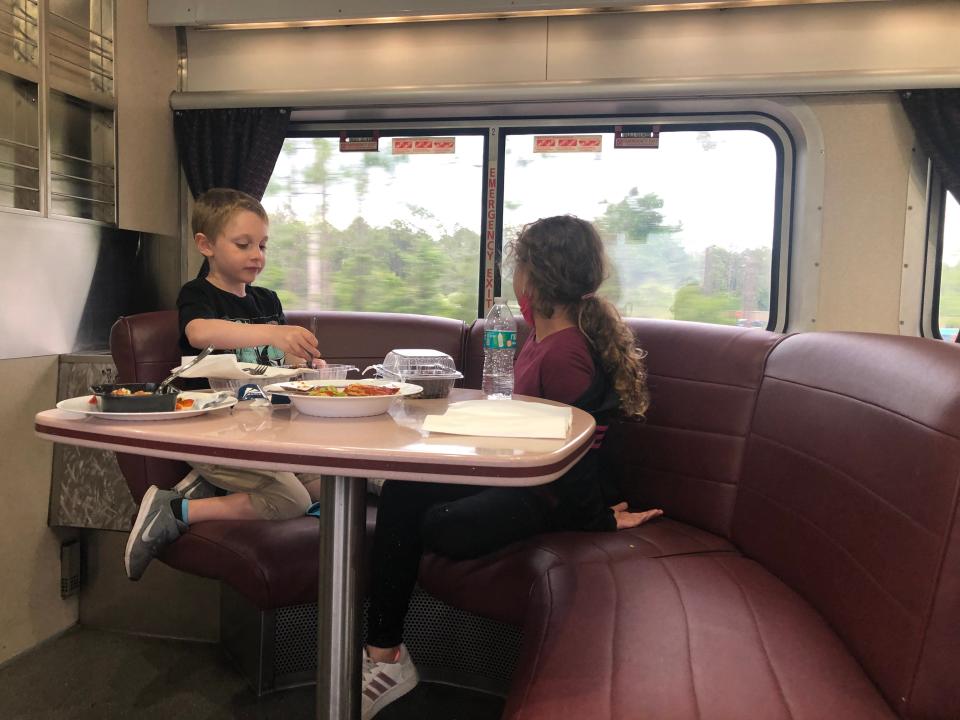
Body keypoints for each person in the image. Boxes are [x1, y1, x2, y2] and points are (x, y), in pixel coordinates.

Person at [359, 215, 663, 720]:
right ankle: (385, 654)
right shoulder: (541, 339)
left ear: (533, 279)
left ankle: (384, 650)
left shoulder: (565, 352)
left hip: (548, 495)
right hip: (521, 477)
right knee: (402, 490)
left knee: (438, 524)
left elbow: (576, 452)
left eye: (517, 269)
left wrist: (600, 519)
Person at [124, 188, 325, 581]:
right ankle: (176, 509)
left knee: (336, 484)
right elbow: (198, 332)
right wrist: (272, 332)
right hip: (212, 432)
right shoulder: (198, 293)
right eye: (243, 244)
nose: (257, 255)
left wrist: (307, 363)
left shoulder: (267, 299)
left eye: (263, 245)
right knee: (293, 499)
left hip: (263, 434)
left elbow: (278, 364)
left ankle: (214, 489)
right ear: (206, 245)